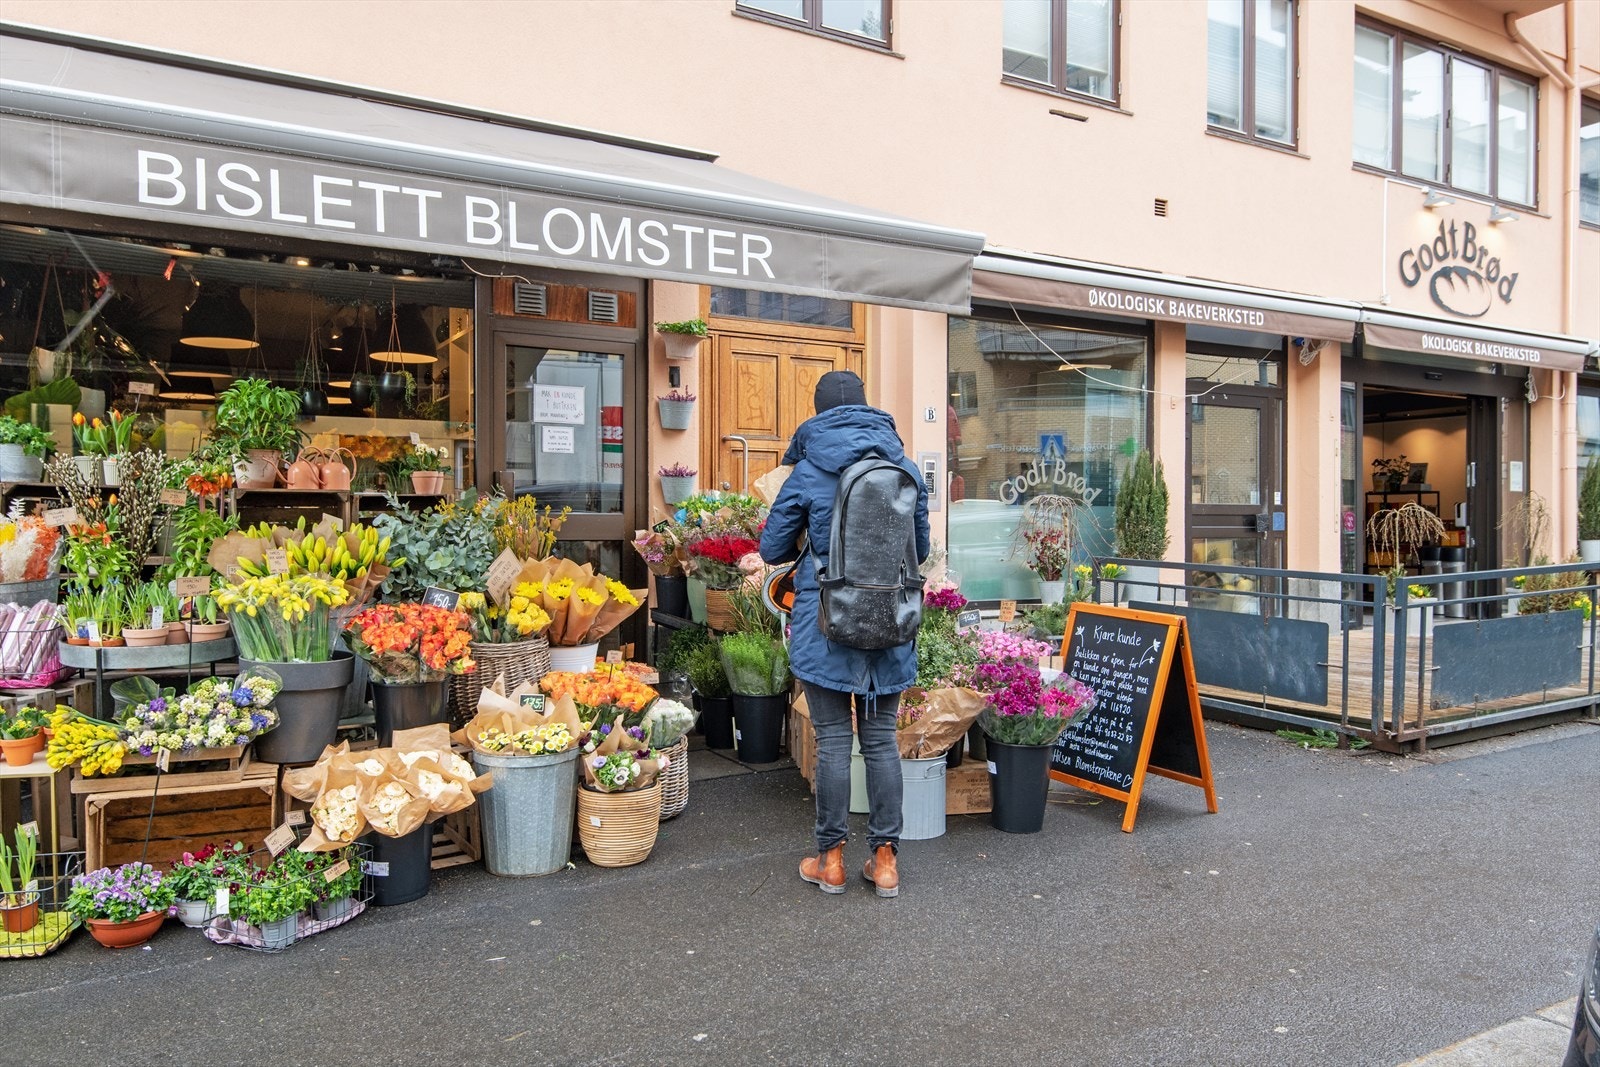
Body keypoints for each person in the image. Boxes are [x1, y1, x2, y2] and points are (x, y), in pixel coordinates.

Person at [759, 370, 930, 898]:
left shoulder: (810, 468)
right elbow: (918, 551)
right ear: (866, 407)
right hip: (891, 620)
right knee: (880, 741)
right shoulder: (901, 464)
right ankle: (884, 863)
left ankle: (830, 859)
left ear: (818, 413)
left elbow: (772, 548)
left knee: (833, 741)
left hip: (827, 619)